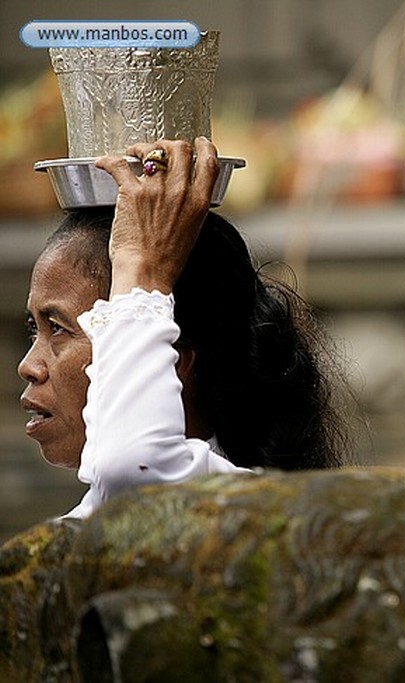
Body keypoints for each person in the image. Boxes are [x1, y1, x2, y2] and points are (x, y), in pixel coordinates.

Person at [18, 137, 355, 519]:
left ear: (172, 360)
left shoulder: (244, 507)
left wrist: (140, 268)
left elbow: (132, 465)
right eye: (35, 329)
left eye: (58, 328)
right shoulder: (86, 520)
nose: (29, 365)